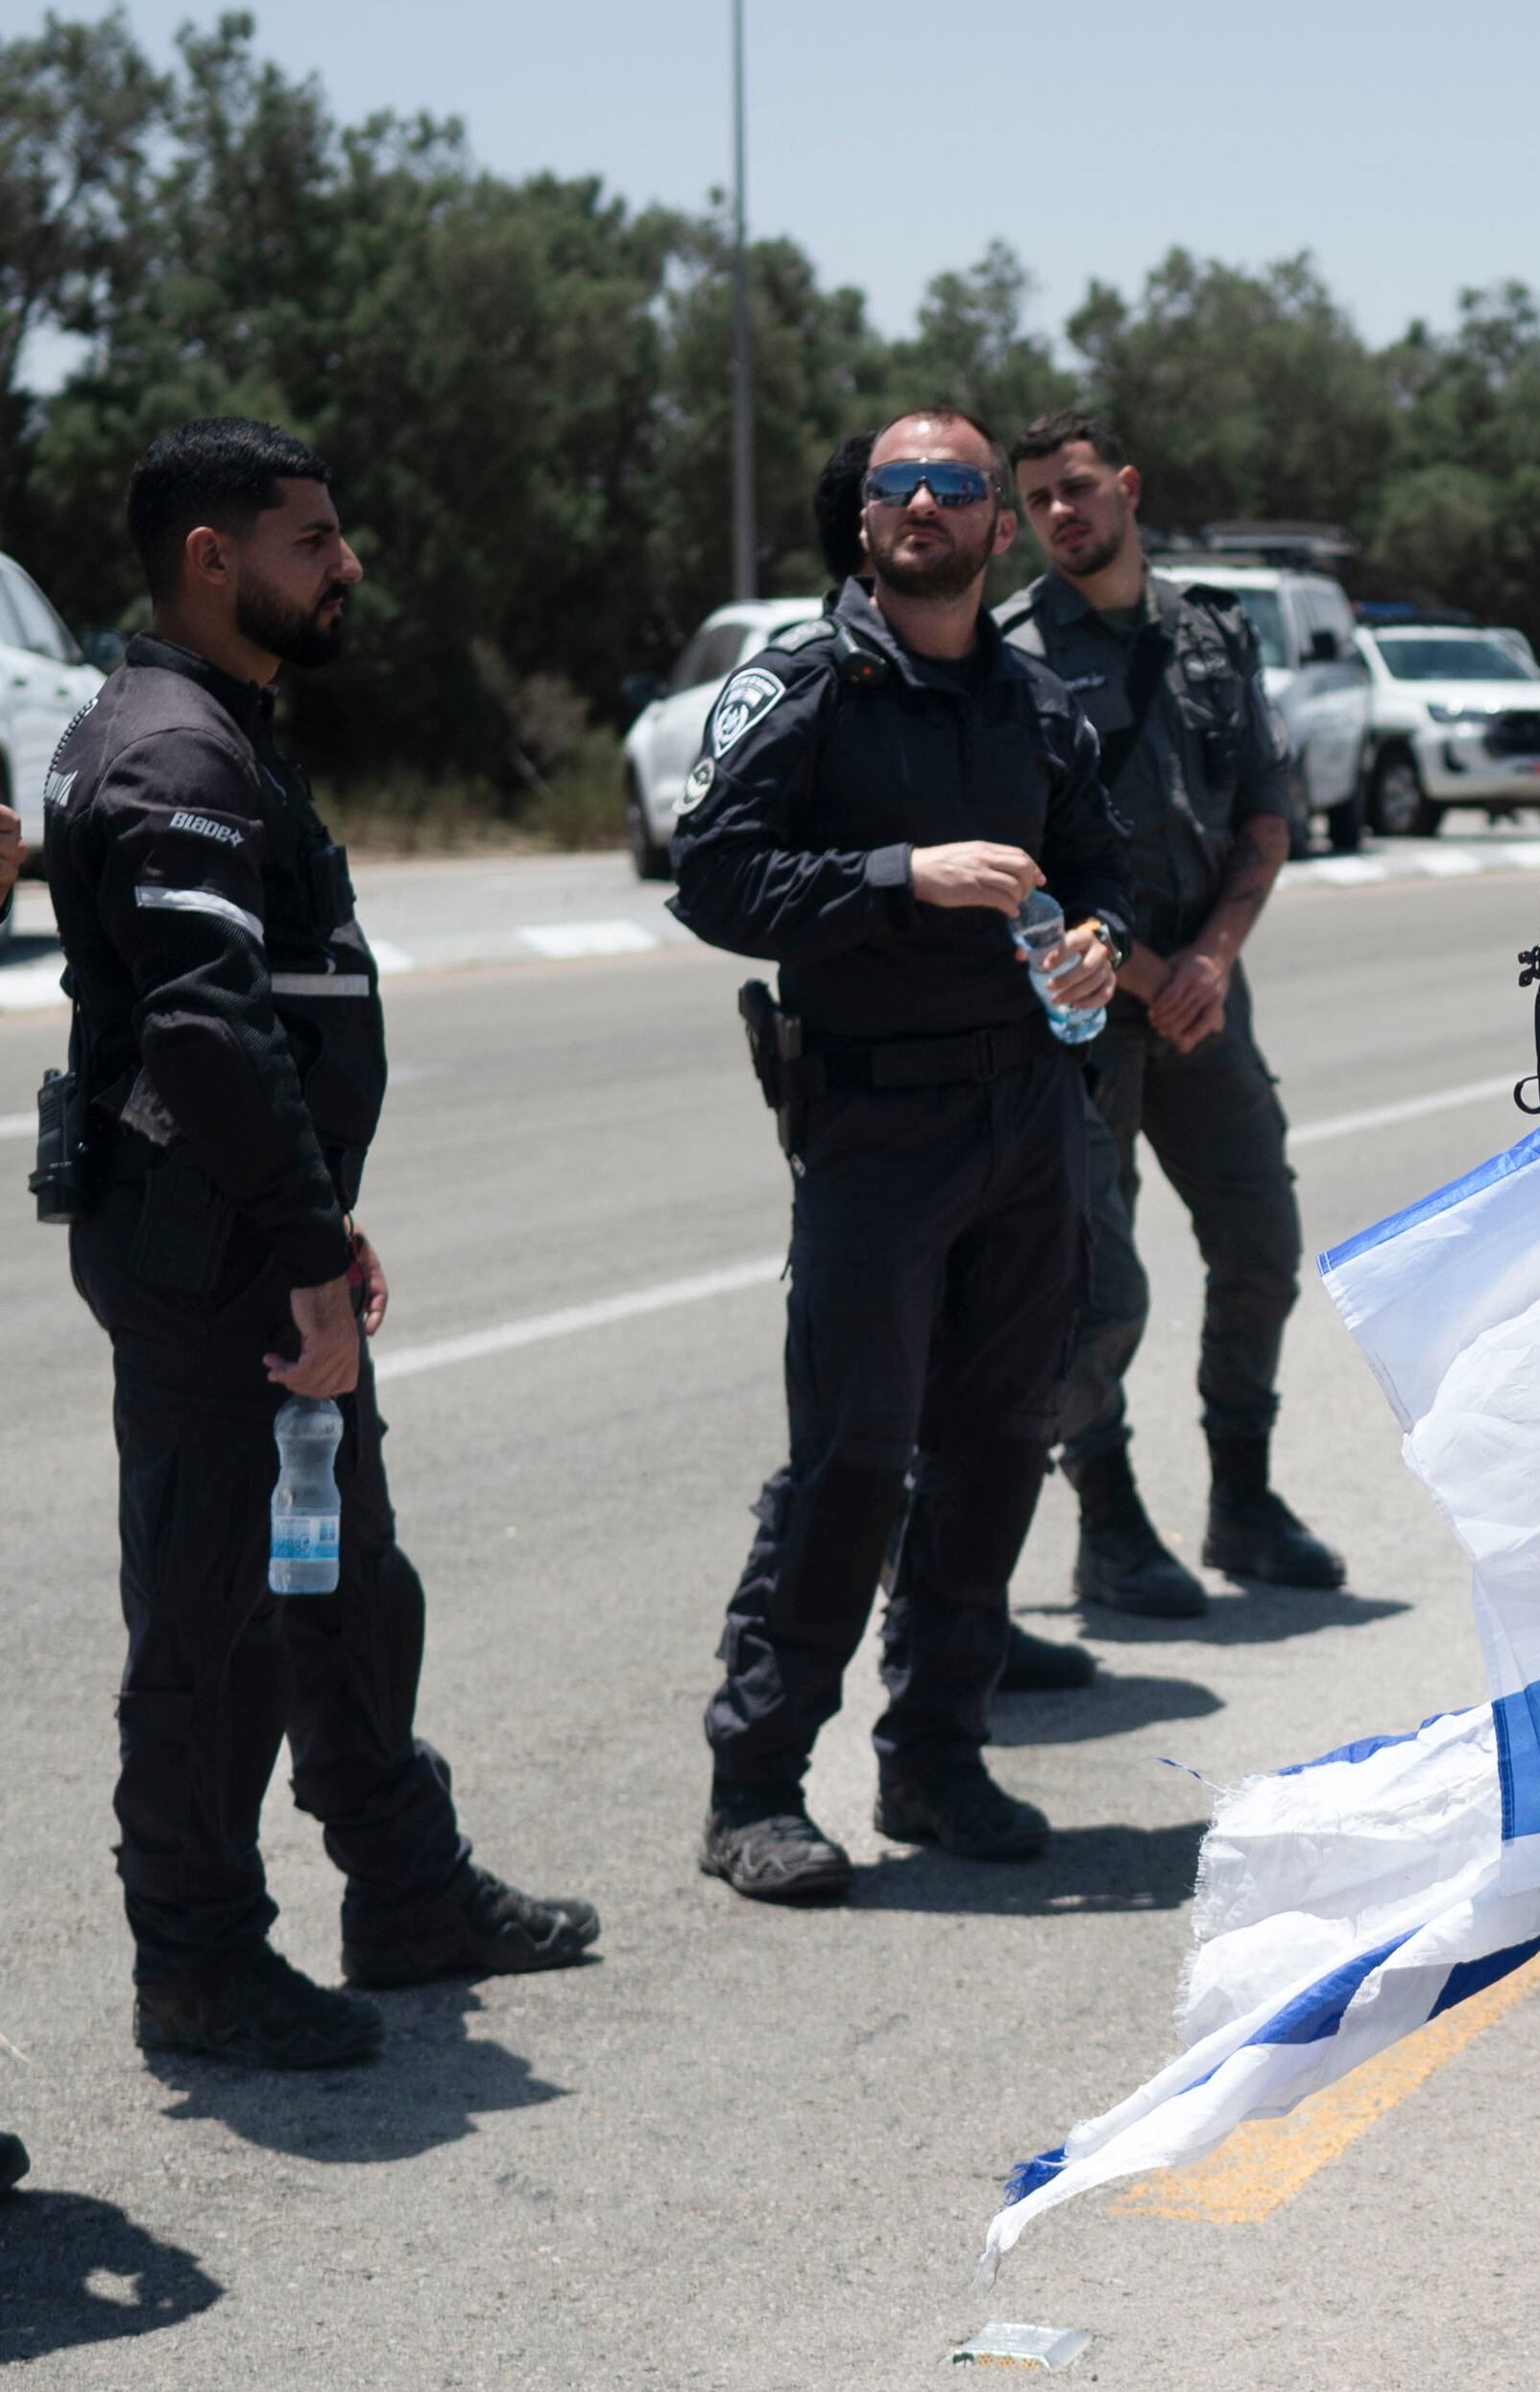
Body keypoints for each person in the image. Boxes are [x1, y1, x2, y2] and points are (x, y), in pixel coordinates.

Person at [40, 419, 598, 2066]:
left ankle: (406, 1885)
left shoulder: (216, 725)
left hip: (256, 1234)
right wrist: (298, 1255)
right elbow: (207, 1029)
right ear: (212, 561)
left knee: (339, 1577)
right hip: (215, 1263)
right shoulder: (172, 750)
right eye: (311, 538)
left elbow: (247, 1027)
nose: (346, 563)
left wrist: (315, 1221)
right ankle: (199, 1959)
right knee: (213, 1624)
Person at [670, 406, 1129, 1905]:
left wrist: (1100, 941)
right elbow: (714, 875)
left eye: (958, 486)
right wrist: (897, 874)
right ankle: (757, 1784)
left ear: (1000, 526)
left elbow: (1108, 869)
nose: (927, 503)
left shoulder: (1039, 700)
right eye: (898, 485)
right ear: (862, 519)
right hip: (873, 1124)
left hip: (1028, 1121)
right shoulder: (803, 687)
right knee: (855, 1456)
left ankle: (935, 1751)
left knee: (999, 1443)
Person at [998, 408, 1344, 1622]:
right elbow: (1027, 871)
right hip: (1084, 1015)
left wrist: (1209, 960)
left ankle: (1241, 1501)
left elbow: (1264, 806)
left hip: (1207, 997)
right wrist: (1155, 975)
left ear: (1127, 488)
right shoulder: (1011, 657)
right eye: (1035, 498)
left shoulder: (1210, 630)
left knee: (1259, 1243)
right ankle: (1108, 1521)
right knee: (1093, 1285)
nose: (1058, 515)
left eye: (1077, 488)